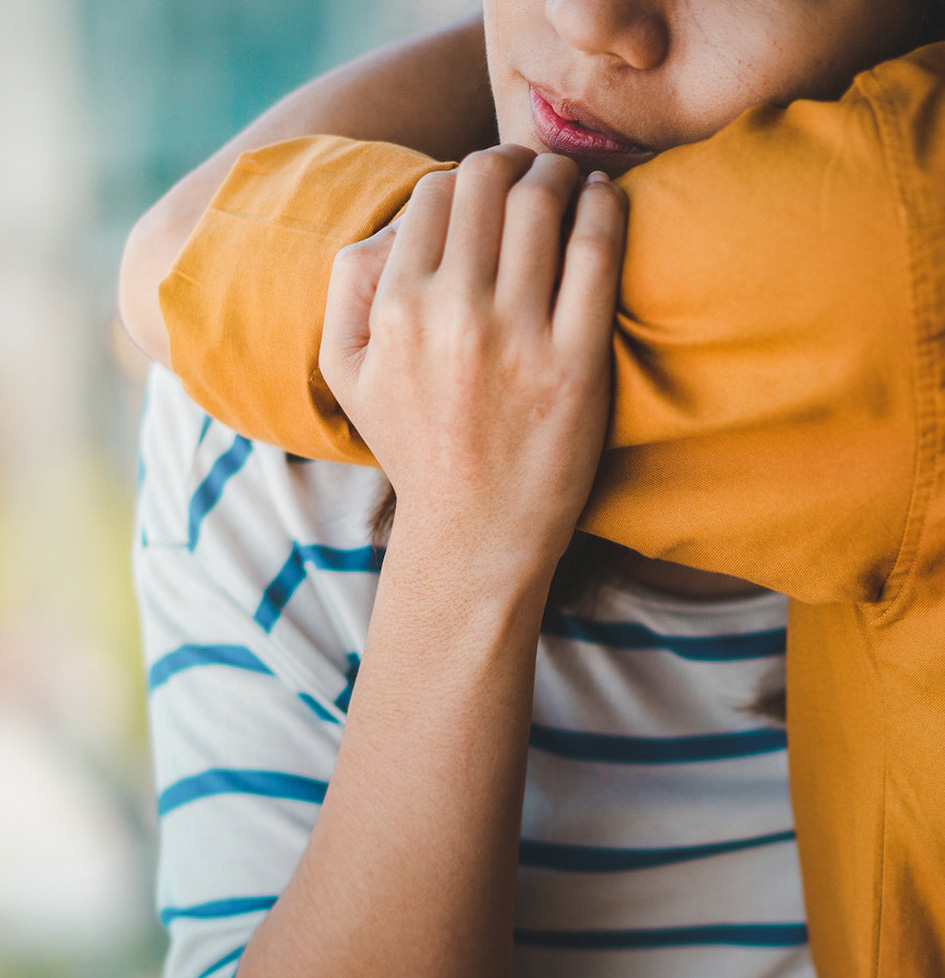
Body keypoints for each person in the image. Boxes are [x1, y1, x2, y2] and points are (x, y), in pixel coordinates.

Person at [121, 4, 945, 978]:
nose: (589, 17)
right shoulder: (269, 465)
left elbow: (181, 265)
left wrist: (184, 252)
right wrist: (463, 563)